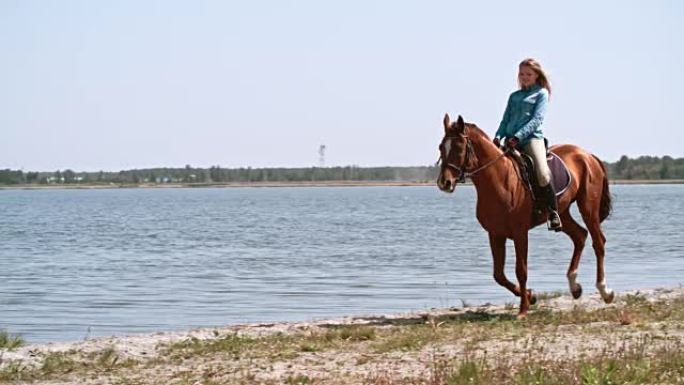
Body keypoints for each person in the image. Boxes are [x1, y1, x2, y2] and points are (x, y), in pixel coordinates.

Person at [493, 58, 562, 231]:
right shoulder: (513, 96)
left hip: (531, 139)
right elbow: (505, 119)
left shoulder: (541, 94)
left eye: (528, 74)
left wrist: (518, 136)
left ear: (536, 75)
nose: (524, 77)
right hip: (509, 141)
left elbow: (537, 119)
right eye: (522, 74)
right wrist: (497, 135)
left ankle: (553, 213)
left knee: (543, 174)